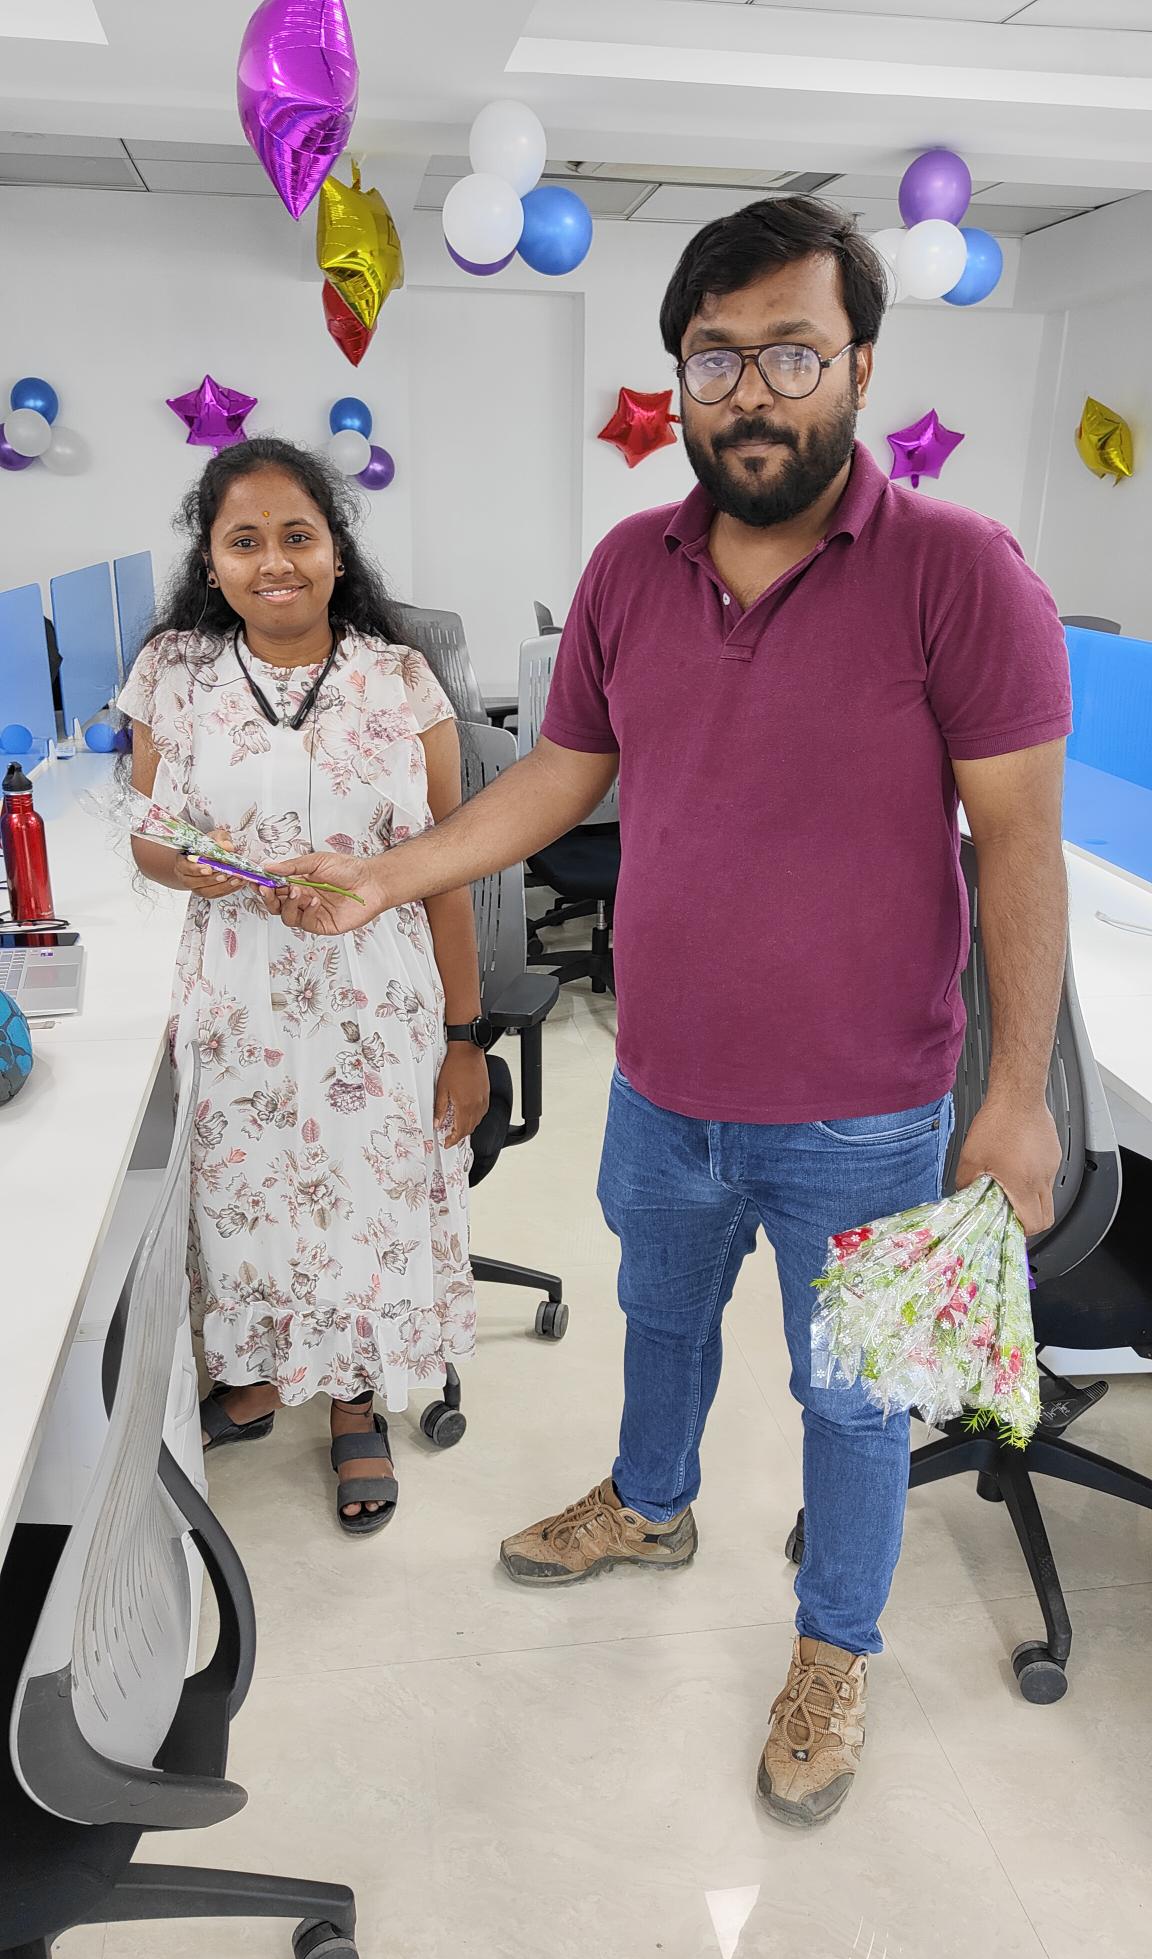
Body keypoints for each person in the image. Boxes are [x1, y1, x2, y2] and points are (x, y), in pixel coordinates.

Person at [270, 200, 1072, 1816]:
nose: (751, 391)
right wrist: (389, 874)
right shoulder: (628, 569)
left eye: (792, 352)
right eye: (716, 358)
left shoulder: (960, 570)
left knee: (856, 1397)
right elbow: (562, 775)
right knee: (660, 1316)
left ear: (860, 363)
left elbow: (1017, 843)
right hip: (663, 1081)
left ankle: (835, 1643)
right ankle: (650, 1502)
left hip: (873, 1108)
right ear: (681, 377)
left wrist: (1016, 1098)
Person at [119, 437, 488, 1536]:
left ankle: (354, 1401)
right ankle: (257, 1374)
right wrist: (190, 866)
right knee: (243, 1200)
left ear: (336, 550)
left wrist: (465, 1034)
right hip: (236, 991)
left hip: (377, 998)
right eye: (244, 541)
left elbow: (449, 864)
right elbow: (150, 834)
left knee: (367, 1202)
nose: (273, 562)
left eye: (297, 536)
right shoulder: (174, 672)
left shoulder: (399, 678)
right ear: (212, 559)